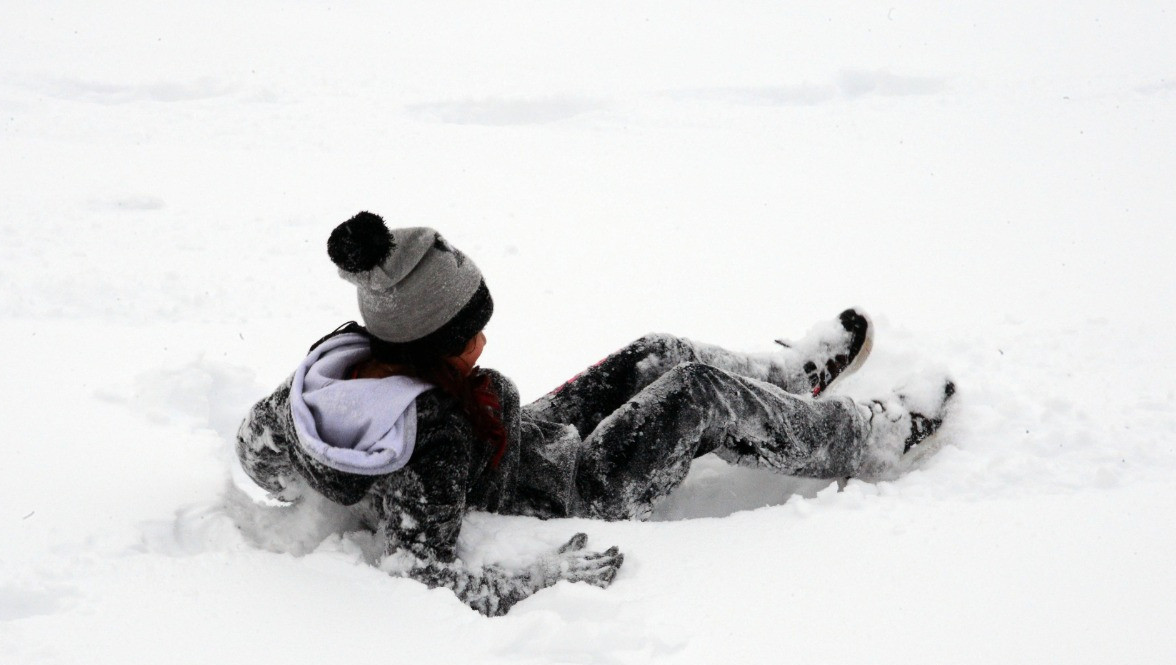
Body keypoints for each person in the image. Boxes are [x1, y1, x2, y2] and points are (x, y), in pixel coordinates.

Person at [236, 212, 955, 616]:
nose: (484, 341)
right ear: (432, 344)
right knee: (696, 392)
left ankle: (784, 387)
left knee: (654, 351)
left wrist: (314, 466)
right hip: (572, 489)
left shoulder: (332, 370)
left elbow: (258, 444)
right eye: (471, 332)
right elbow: (417, 569)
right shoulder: (437, 438)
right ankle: (871, 441)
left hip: (522, 445)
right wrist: (545, 575)